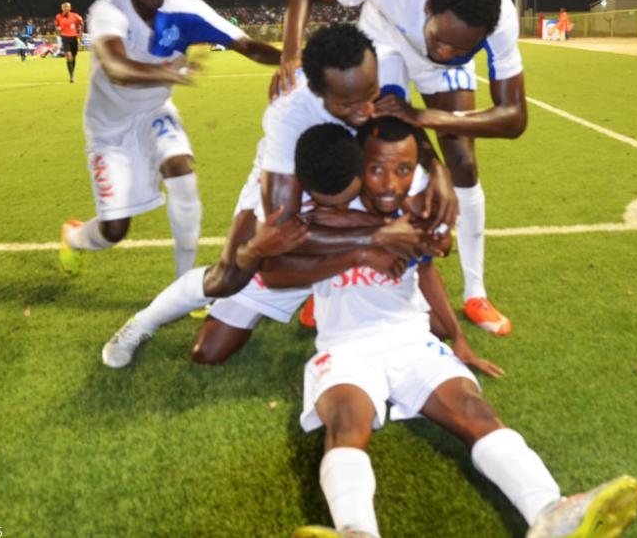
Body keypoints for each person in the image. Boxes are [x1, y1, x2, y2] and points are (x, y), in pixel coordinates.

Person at [258, 117, 637, 538]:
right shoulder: (328, 207)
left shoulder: (418, 214)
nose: (390, 183)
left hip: (411, 340)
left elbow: (426, 274)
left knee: (474, 410)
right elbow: (275, 272)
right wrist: (366, 252)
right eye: (376, 169)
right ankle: (355, 531)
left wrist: (457, 337)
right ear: (357, 166)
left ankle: (551, 514)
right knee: (348, 422)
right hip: (345, 346)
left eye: (403, 170)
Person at [101, 24, 454, 369]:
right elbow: (284, 229)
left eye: (370, 94)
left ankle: (335, 293)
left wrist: (438, 172)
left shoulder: (389, 62)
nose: (365, 111)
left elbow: (402, 128)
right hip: (292, 182)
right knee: (228, 283)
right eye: (347, 103)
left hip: (363, 174)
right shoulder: (289, 112)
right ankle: (144, 322)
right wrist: (374, 237)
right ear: (317, 91)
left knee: (430, 280)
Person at [276, 0, 528, 336]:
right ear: (427, 6)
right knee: (372, 156)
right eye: (441, 39)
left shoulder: (499, 20)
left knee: (463, 163)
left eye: (462, 48)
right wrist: (290, 55)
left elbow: (514, 117)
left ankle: (475, 293)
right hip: (383, 43)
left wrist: (424, 118)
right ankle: (335, 282)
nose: (445, 53)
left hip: (436, 74)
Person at [59, 0, 282, 282]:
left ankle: (185, 286)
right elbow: (117, 69)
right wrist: (164, 71)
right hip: (109, 128)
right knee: (114, 230)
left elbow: (249, 46)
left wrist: (297, 60)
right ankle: (73, 236)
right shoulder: (108, 9)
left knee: (182, 174)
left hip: (154, 112)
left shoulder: (188, 10)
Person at [54, 2, 85, 82]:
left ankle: (72, 72)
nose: (66, 8)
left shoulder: (75, 16)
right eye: (64, 7)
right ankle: (71, 76)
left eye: (67, 7)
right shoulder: (58, 16)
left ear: (70, 8)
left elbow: (81, 23)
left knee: (73, 57)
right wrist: (58, 29)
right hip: (65, 37)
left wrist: (81, 33)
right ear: (62, 8)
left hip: (74, 38)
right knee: (68, 56)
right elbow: (56, 27)